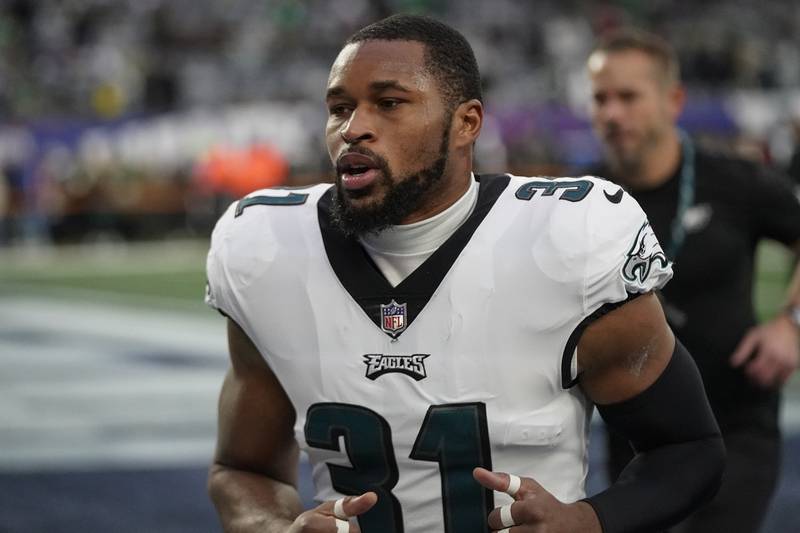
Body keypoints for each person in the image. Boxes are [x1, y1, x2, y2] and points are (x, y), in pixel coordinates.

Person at [205, 14, 724, 533]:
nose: (353, 127)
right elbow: (240, 469)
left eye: (388, 103)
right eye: (339, 108)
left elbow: (688, 449)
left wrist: (589, 521)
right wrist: (277, 528)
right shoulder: (267, 247)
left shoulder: (569, 240)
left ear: (466, 123)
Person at [586, 28, 800, 533]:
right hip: (634, 432)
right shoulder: (585, 199)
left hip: (737, 425)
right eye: (600, 99)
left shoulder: (733, 180)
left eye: (629, 97)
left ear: (673, 99)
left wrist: (790, 322)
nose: (612, 114)